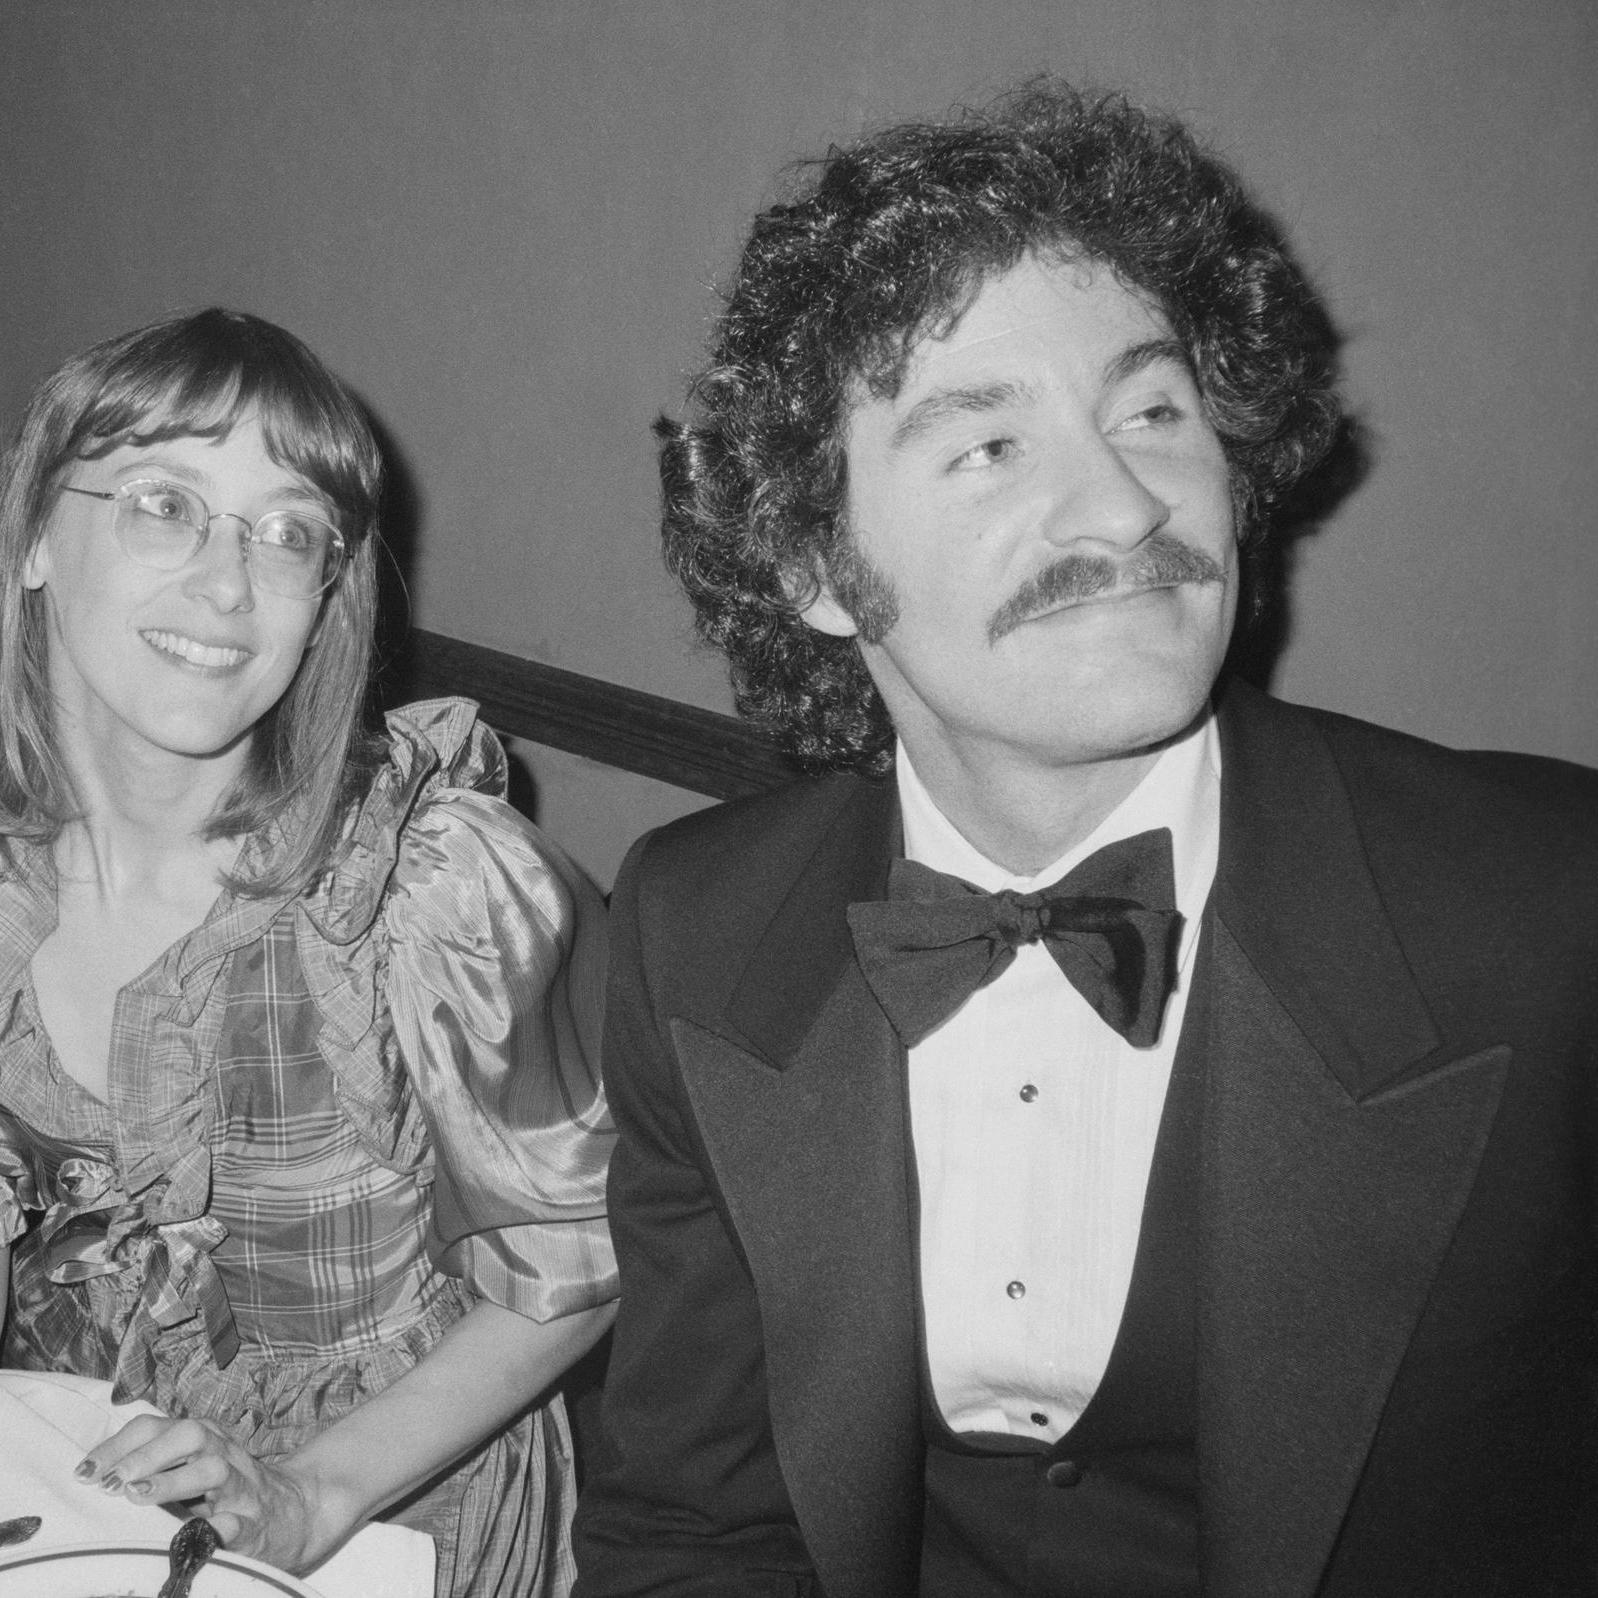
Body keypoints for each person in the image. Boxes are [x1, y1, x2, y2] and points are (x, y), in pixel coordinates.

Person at [574, 82, 1596, 1598]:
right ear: (814, 565)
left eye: (1153, 408)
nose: (1122, 501)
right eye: (986, 445)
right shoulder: (697, 923)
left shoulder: (1548, 908)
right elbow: (693, 1522)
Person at [0, 309, 616, 1591]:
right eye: (162, 504)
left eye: (290, 533)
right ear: (30, 541)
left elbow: (566, 1273)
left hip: (391, 1505)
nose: (230, 584)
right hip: (82, 1467)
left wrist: (305, 1493)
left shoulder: (430, 881)